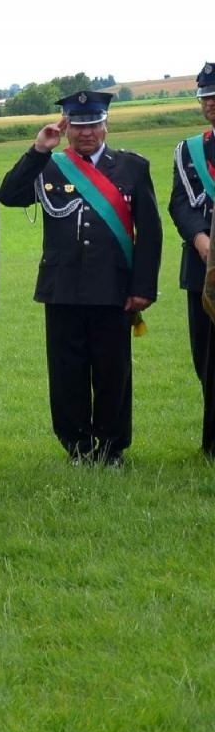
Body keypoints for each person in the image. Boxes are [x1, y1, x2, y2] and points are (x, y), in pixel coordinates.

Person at [0, 91, 162, 466]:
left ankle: (110, 447)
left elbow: (150, 234)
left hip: (112, 289)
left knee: (112, 371)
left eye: (93, 124)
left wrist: (142, 288)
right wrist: (39, 150)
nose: (86, 133)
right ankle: (77, 447)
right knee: (66, 373)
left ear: (105, 124)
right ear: (66, 126)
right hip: (62, 289)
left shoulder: (132, 167)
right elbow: (8, 195)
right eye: (79, 125)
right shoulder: (50, 166)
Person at [168, 63, 215, 458]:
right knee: (206, 356)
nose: (211, 103)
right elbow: (180, 203)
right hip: (204, 269)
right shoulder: (189, 150)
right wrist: (202, 242)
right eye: (206, 97)